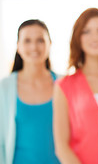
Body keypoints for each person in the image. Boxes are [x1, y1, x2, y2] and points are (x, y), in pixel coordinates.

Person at [53, 8, 98, 164]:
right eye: (86, 31)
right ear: (78, 38)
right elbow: (62, 146)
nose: (94, 37)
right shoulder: (64, 86)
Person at [0, 19, 60, 164]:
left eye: (40, 40)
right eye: (27, 40)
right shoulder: (4, 88)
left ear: (49, 44)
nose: (34, 46)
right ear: (18, 47)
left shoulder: (63, 84)